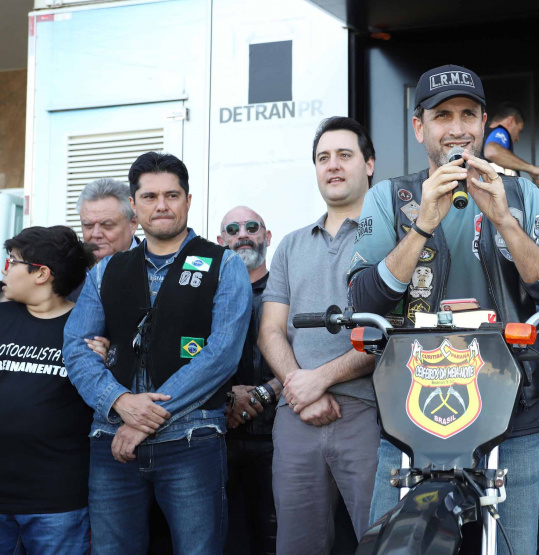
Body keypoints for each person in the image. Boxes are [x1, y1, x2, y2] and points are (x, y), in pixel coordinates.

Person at [348, 64, 539, 555]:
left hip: (511, 408)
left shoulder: (521, 192)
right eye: (442, 115)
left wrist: (504, 220)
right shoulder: (389, 196)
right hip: (411, 412)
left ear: (484, 122)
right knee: (400, 547)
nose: (456, 128)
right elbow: (362, 300)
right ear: (419, 127)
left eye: (468, 114)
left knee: (510, 548)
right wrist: (422, 225)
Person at [63, 151, 252, 554]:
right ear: (134, 206)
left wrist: (142, 420)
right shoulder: (106, 271)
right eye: (150, 197)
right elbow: (76, 347)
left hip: (191, 438)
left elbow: (221, 354)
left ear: (188, 200)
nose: (161, 205)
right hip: (111, 439)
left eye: (172, 195)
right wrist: (119, 401)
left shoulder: (225, 264)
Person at [258, 116, 379, 554]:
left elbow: (389, 331)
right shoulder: (290, 245)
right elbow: (270, 330)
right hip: (296, 417)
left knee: (382, 542)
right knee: (297, 546)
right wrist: (300, 390)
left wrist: (320, 379)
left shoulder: (392, 240)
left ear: (368, 164)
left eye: (344, 155)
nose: (333, 165)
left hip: (369, 413)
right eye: (323, 157)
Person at [0, 226, 96, 554]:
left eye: (12, 262)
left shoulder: (87, 330)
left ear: (41, 274)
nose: (5, 270)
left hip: (57, 504)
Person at [216, 206, 281, 555]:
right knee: (225, 540)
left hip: (278, 438)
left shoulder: (287, 291)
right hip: (218, 438)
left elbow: (308, 352)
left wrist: (265, 393)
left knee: (275, 539)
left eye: (252, 227)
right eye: (233, 229)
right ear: (220, 241)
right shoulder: (207, 294)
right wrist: (227, 396)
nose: (242, 234)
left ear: (266, 237)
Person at [68, 178, 140, 301]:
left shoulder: (155, 267)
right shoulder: (64, 271)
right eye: (88, 225)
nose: (96, 234)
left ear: (133, 223)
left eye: (107, 225)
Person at [483, 102, 539, 190]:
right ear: (510, 121)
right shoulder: (501, 130)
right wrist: (531, 168)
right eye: (519, 131)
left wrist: (538, 191)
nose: (517, 138)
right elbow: (491, 151)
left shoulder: (484, 139)